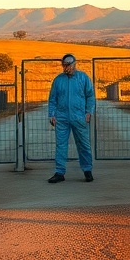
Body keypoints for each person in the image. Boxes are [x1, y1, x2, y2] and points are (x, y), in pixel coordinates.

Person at [46, 53, 96, 183]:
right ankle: (59, 172)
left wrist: (88, 112)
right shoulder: (58, 80)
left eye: (68, 65)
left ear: (74, 64)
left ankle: (87, 170)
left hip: (79, 117)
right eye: (64, 65)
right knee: (61, 145)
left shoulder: (83, 78)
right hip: (62, 118)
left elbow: (90, 96)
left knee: (83, 144)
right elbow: (52, 99)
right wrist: (52, 114)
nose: (66, 68)